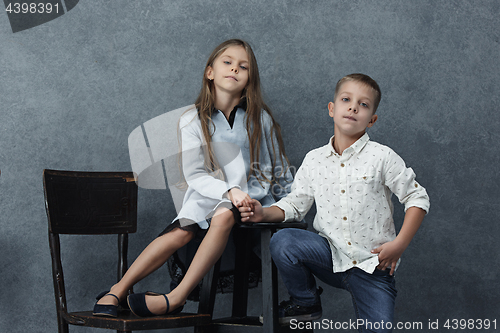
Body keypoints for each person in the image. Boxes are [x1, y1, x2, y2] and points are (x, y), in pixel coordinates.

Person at [93, 39, 292, 317]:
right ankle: (117, 289)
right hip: (210, 195)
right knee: (181, 231)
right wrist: (229, 191)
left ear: (249, 80)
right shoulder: (192, 119)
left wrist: (288, 209)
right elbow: (195, 174)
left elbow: (279, 169)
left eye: (243, 67)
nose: (234, 68)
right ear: (210, 72)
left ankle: (176, 297)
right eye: (228, 62)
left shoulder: (261, 120)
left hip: (253, 200)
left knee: (224, 215)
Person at [239, 73, 430, 332]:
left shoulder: (382, 157)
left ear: (372, 120)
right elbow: (295, 205)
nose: (353, 107)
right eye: (346, 99)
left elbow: (417, 197)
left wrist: (399, 245)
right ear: (332, 109)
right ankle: (305, 301)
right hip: (329, 257)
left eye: (363, 104)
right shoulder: (314, 160)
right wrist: (263, 213)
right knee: (284, 241)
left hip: (373, 265)